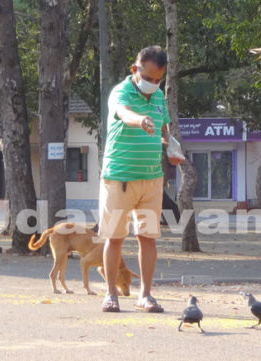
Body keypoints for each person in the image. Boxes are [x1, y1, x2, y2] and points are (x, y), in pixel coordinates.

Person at [99, 45, 182, 313]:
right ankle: (111, 294)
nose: (154, 84)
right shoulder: (120, 92)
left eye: (159, 80)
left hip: (151, 179)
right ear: (135, 70)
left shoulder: (158, 97)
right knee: (115, 237)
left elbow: (164, 129)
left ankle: (145, 295)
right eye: (149, 78)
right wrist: (140, 120)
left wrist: (172, 146)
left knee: (148, 237)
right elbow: (123, 113)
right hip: (119, 177)